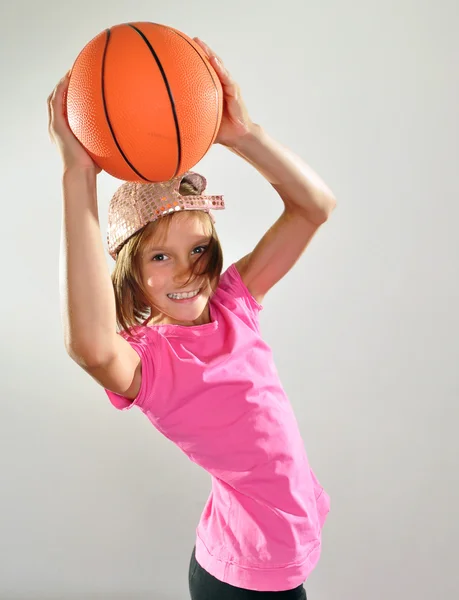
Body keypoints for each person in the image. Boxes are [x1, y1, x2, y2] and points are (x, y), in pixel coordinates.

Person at [48, 36, 336, 599]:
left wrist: (239, 134)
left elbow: (314, 207)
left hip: (279, 555)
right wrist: (77, 174)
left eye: (199, 249)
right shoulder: (151, 362)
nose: (187, 272)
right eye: (160, 256)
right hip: (242, 579)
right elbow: (89, 343)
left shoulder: (233, 306)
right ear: (130, 272)